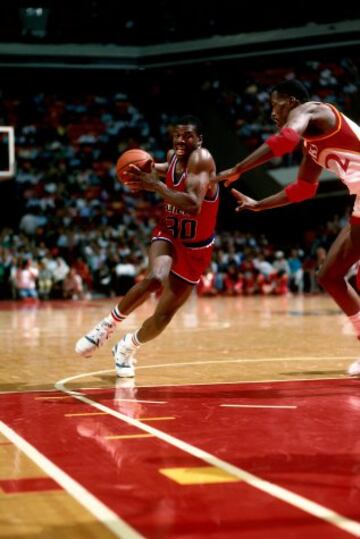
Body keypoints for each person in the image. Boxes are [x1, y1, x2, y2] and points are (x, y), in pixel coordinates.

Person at [215, 79, 360, 376]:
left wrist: (238, 169)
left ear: (293, 102)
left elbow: (283, 141)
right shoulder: (313, 147)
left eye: (275, 104)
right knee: (330, 276)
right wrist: (258, 205)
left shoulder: (315, 110)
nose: (272, 112)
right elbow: (303, 189)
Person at [75, 116, 219, 377]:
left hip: (196, 248)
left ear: (199, 140)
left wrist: (156, 185)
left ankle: (127, 347)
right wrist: (143, 171)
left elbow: (193, 204)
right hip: (168, 233)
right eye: (177, 134)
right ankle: (105, 327)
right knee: (155, 277)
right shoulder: (174, 156)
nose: (180, 140)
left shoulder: (202, 159)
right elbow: (165, 169)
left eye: (187, 136)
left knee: (163, 318)